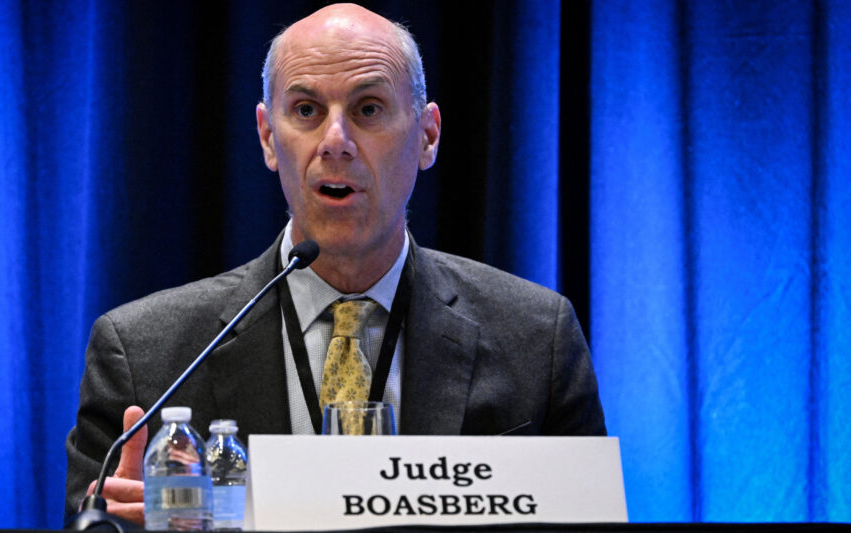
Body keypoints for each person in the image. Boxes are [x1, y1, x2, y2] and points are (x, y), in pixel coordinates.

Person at [64, 3, 605, 524]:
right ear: (268, 137)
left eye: (368, 109)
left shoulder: (537, 338)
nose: (335, 142)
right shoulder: (145, 357)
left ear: (428, 135)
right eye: (306, 111)